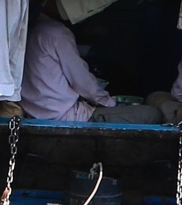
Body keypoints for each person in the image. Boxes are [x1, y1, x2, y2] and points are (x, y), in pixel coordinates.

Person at [15, 9, 170, 124]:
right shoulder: (55, 33)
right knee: (152, 114)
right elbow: (83, 83)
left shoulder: (26, 30)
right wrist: (110, 103)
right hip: (68, 118)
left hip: (38, 113)